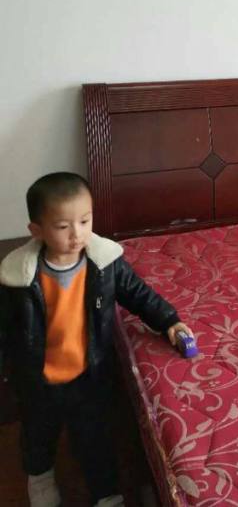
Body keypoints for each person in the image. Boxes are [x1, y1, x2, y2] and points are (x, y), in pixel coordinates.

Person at [0, 172, 193, 507]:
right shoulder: (18, 278)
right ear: (37, 230)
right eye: (63, 226)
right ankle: (40, 476)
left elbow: (137, 294)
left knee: (95, 437)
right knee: (37, 433)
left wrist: (169, 321)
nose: (77, 234)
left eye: (85, 221)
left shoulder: (104, 263)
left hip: (89, 375)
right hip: (37, 379)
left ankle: (106, 492)